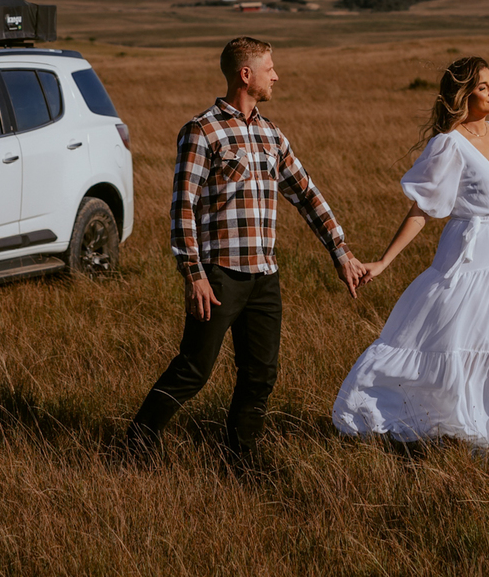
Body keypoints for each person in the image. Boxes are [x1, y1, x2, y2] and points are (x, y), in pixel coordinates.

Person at [128, 36, 367, 459]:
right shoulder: (202, 131)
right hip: (219, 276)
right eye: (269, 67)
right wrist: (194, 274)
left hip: (264, 277)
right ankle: (136, 445)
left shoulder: (272, 134)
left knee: (260, 374)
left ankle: (243, 458)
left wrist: (340, 250)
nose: (276, 75)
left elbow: (307, 194)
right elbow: (182, 207)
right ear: (246, 74)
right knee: (194, 369)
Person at [332, 56, 489, 454]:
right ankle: (430, 427)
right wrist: (383, 262)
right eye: (484, 86)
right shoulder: (449, 144)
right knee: (451, 349)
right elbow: (422, 211)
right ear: (463, 95)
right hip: (466, 265)